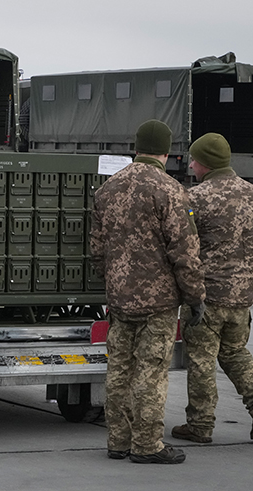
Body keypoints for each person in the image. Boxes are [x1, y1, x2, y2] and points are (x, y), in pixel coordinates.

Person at [90, 119, 205, 464]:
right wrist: (195, 295)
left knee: (119, 371)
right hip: (159, 301)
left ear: (135, 148)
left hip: (120, 299)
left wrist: (113, 281)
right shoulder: (171, 190)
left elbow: (97, 250)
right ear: (167, 152)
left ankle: (118, 441)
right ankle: (147, 445)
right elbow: (184, 251)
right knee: (151, 372)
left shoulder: (107, 189)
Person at [171, 133, 253, 444]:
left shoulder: (196, 198)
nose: (190, 164)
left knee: (202, 358)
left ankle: (200, 424)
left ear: (204, 163)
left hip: (206, 297)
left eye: (193, 159)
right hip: (241, 298)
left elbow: (184, 250)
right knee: (235, 352)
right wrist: (245, 280)